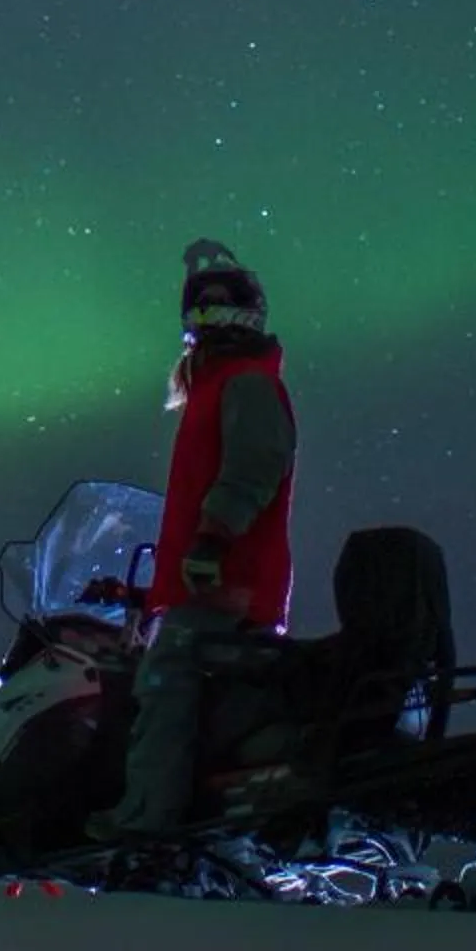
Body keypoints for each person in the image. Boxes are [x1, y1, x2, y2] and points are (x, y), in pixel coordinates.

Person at [87, 237, 298, 842]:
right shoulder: (216, 388)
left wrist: (214, 538)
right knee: (165, 677)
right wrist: (143, 590)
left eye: (217, 305)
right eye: (200, 308)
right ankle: (189, 808)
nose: (206, 319)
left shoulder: (246, 384)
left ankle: (146, 818)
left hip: (225, 582)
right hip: (207, 580)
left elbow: (255, 465)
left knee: (164, 679)